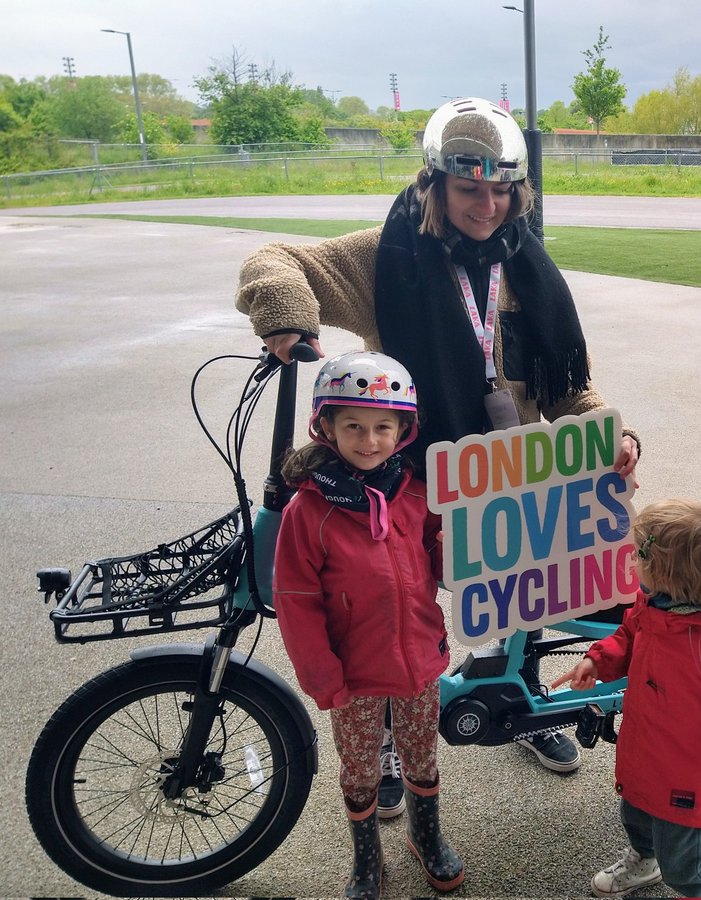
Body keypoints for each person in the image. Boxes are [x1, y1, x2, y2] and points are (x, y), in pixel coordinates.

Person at [235, 96, 641, 787]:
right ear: (435, 186)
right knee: (396, 611)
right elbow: (277, 258)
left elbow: (564, 383)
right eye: (468, 189)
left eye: (501, 190)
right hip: (418, 476)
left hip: (510, 469)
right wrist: (287, 317)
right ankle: (388, 736)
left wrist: (611, 428)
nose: (486, 206)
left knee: (527, 591)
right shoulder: (384, 255)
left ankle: (514, 701)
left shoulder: (526, 265)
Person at [273, 351, 463, 897]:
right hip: (351, 673)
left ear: (403, 431)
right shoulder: (308, 511)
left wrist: (452, 551)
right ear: (326, 427)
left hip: (420, 660)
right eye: (352, 426)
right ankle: (366, 857)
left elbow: (440, 560)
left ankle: (426, 837)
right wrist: (322, 677)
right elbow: (296, 600)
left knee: (421, 754)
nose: (369, 439)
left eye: (383, 427)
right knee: (359, 769)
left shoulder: (416, 492)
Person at [552, 499, 701, 899]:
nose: (632, 561)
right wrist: (596, 660)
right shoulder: (654, 603)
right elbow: (628, 638)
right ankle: (643, 860)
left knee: (684, 860)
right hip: (645, 749)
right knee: (635, 814)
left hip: (692, 771)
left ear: (672, 574)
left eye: (640, 554)